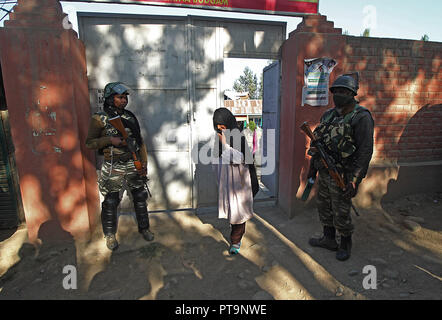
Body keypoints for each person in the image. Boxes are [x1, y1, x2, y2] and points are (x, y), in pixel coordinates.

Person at [307, 74, 374, 261]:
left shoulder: (361, 117)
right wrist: (313, 167)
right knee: (324, 206)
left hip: (343, 174)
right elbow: (318, 142)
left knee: (341, 210)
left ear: (352, 94)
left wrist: (354, 180)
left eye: (342, 92)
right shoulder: (329, 114)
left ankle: (345, 243)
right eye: (335, 91)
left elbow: (365, 152)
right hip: (325, 170)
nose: (338, 95)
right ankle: (328, 238)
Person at [85, 82, 154, 251]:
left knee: (140, 196)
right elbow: (89, 143)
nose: (123, 101)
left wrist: (143, 164)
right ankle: (109, 235)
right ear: (110, 99)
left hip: (132, 162)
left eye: (125, 98)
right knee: (111, 201)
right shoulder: (99, 118)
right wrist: (110, 140)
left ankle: (144, 228)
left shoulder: (130, 117)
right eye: (119, 97)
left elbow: (140, 142)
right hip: (113, 164)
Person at [212, 108, 256, 255]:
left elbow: (241, 159)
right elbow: (216, 159)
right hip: (227, 182)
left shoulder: (238, 137)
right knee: (232, 210)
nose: (221, 130)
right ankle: (235, 234)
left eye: (223, 126)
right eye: (218, 127)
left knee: (239, 211)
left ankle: (235, 240)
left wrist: (225, 146)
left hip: (240, 182)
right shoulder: (218, 138)